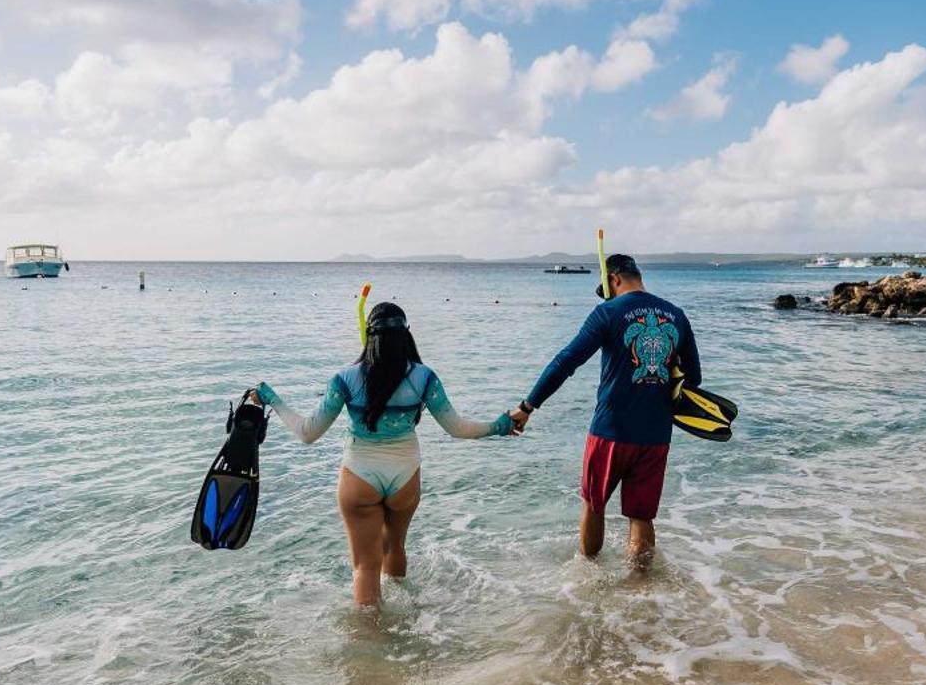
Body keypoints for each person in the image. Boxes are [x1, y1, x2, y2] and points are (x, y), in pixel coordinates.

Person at [257, 302, 513, 606]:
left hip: (358, 477)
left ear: (369, 336)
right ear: (407, 335)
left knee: (365, 567)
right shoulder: (424, 377)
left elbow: (308, 433)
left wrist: (270, 398)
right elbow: (457, 428)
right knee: (394, 549)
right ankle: (406, 625)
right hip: (404, 479)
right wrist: (500, 426)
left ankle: (370, 646)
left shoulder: (345, 379)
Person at [509, 254, 699, 568]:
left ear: (614, 279)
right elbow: (694, 378)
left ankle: (588, 581)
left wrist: (528, 406)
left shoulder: (607, 312)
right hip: (656, 434)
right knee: (641, 516)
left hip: (610, 431)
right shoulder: (676, 315)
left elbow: (566, 362)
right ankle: (642, 592)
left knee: (594, 505)